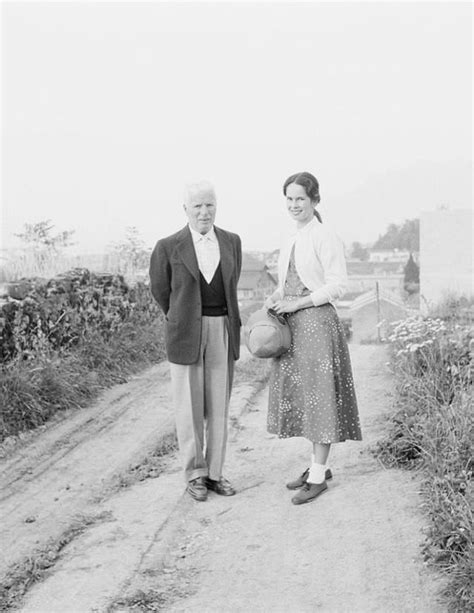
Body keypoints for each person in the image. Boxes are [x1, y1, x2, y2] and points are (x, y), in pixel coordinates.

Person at [265, 171, 362, 505]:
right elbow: (290, 281)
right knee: (309, 399)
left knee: (321, 398)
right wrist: (276, 297)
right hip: (296, 329)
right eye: (289, 199)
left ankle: (319, 476)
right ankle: (317, 466)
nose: (294, 205)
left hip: (318, 326)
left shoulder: (324, 235)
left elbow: (337, 284)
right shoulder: (292, 237)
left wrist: (299, 302)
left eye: (300, 199)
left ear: (314, 200)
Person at [149, 180, 242, 501]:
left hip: (222, 329)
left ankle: (215, 474)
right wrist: (181, 317)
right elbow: (161, 291)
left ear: (217, 205)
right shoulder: (167, 246)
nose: (204, 212)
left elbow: (231, 285)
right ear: (185, 209)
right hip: (185, 332)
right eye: (198, 206)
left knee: (219, 405)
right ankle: (195, 475)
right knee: (188, 407)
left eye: (210, 204)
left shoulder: (232, 242)